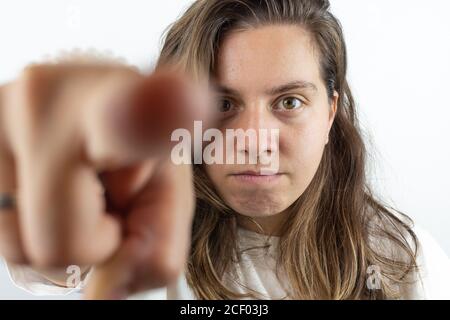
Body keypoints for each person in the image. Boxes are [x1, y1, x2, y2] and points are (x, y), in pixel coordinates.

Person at [1, 0, 450, 300]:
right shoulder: (139, 245)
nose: (254, 140)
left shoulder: (403, 262)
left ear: (330, 113)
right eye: (222, 104)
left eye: (289, 102)